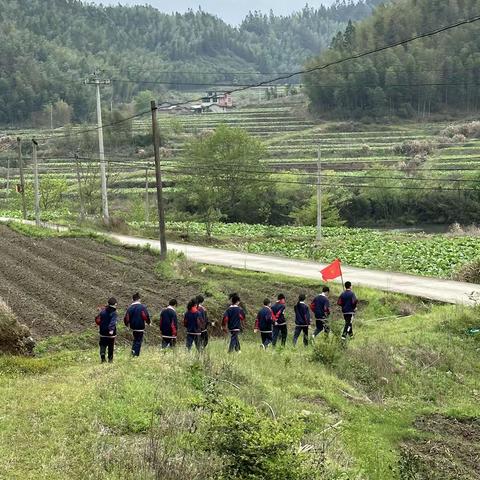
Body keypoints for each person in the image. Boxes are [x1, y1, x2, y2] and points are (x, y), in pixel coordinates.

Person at [124, 292, 151, 357]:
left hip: (133, 327)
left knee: (135, 339)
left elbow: (126, 317)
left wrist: (127, 324)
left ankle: (133, 352)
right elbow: (145, 316)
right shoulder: (142, 307)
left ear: (133, 300)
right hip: (140, 326)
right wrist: (148, 322)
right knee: (138, 341)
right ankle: (135, 355)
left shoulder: (130, 308)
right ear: (139, 299)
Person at [95, 297, 118, 363]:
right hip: (111, 334)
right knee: (111, 346)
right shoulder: (114, 313)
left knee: (102, 345)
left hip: (102, 332)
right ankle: (110, 360)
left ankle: (103, 358)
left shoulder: (103, 311)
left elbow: (98, 319)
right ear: (115, 304)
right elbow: (113, 322)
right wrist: (111, 330)